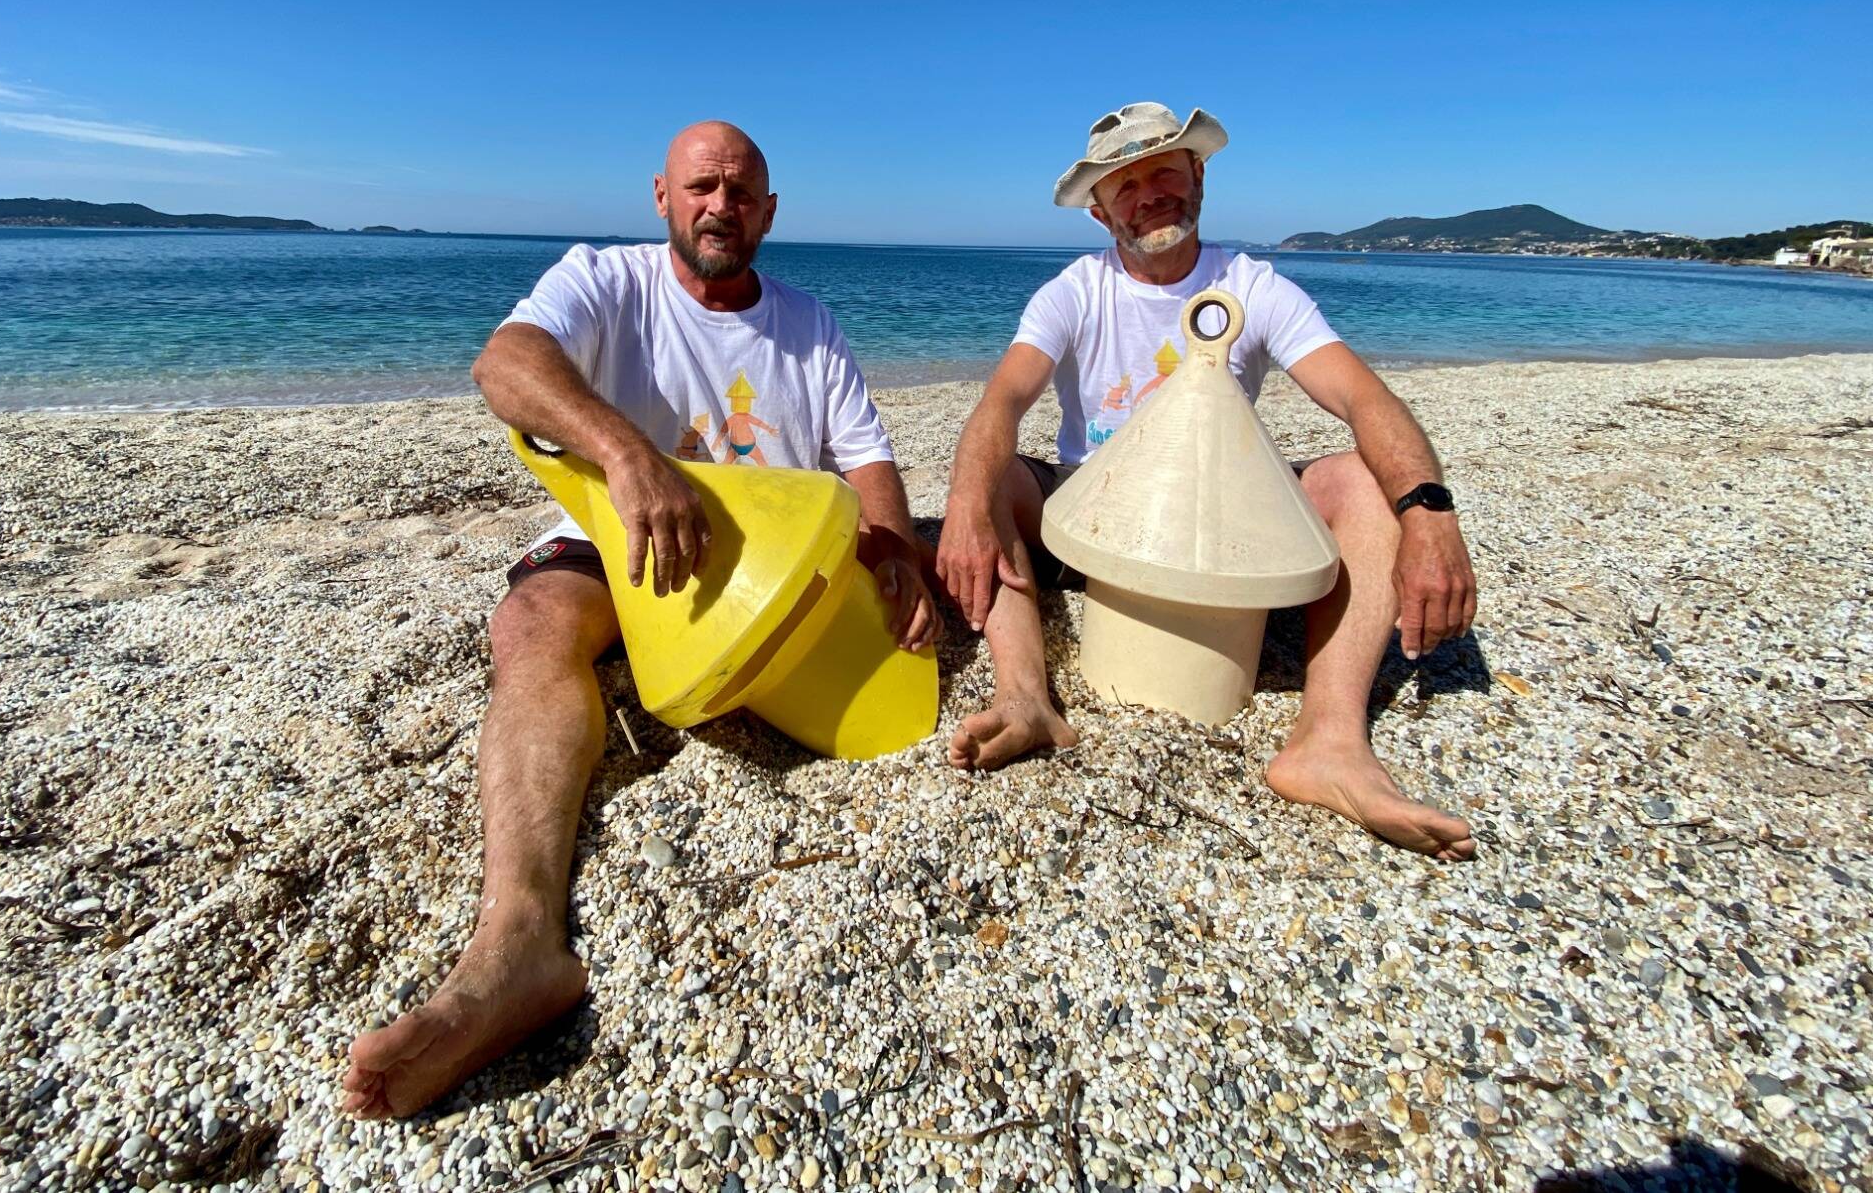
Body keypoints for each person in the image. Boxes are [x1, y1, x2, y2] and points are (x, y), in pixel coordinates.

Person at [342, 121, 942, 1119]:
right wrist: (626, 455)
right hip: (619, 542)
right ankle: (519, 946)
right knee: (530, 623)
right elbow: (505, 366)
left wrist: (891, 543)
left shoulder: (810, 323)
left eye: (741, 191)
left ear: (769, 211)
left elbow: (867, 459)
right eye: (701, 186)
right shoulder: (605, 280)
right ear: (662, 196)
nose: (721, 205)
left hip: (771, 561)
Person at [937, 102, 1478, 862]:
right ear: (1099, 210)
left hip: (1217, 528)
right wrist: (965, 507)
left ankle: (1328, 742)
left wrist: (1429, 513)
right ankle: (1026, 697)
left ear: (1198, 175)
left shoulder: (1251, 287)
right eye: (1124, 185)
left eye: (1165, 170)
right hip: (1085, 519)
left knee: (1364, 482)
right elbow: (1002, 400)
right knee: (987, 481)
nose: (1148, 193)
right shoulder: (1075, 291)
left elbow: (1362, 397)